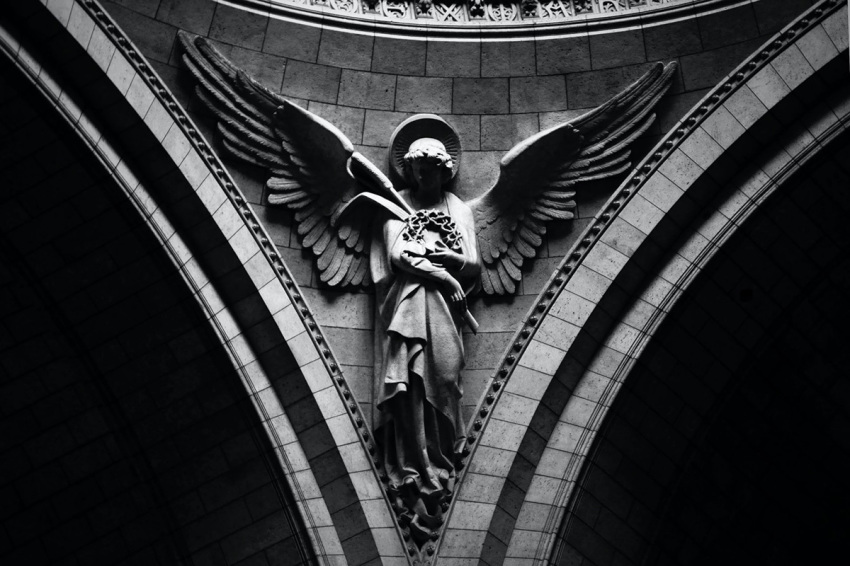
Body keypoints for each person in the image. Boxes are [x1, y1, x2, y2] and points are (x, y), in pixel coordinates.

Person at [371, 137, 480, 543]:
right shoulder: (394, 205)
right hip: (410, 306)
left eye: (431, 169)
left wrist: (451, 262)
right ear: (410, 170)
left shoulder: (460, 209)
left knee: (445, 376)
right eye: (417, 168)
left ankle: (440, 455)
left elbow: (473, 261)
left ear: (445, 170)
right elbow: (400, 256)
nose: (423, 175)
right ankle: (414, 467)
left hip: (445, 310)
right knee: (410, 385)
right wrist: (446, 275)